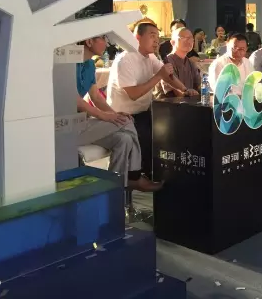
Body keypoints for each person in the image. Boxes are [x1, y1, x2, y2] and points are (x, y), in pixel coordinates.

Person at [107, 22, 196, 177]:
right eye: (152, 35)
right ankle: (138, 177)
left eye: (158, 36)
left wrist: (185, 89)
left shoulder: (151, 57)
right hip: (124, 116)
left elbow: (167, 76)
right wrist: (159, 76)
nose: (156, 40)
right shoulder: (125, 60)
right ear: (137, 38)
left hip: (144, 112)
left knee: (170, 130)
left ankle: (159, 174)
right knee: (148, 136)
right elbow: (134, 94)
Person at [76, 35, 162, 192]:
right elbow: (75, 100)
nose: (107, 43)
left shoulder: (89, 65)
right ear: (89, 41)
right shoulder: (68, 64)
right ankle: (134, 176)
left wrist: (114, 114)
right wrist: (104, 116)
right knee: (128, 122)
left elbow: (95, 97)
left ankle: (114, 187)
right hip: (67, 125)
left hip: (82, 123)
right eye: (103, 38)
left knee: (124, 139)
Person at [159, 27, 201, 98]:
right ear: (172, 42)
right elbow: (177, 92)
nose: (189, 41)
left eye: (191, 38)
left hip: (189, 101)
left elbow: (200, 85)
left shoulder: (190, 63)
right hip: (170, 102)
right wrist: (187, 92)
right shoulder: (166, 62)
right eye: (183, 38)